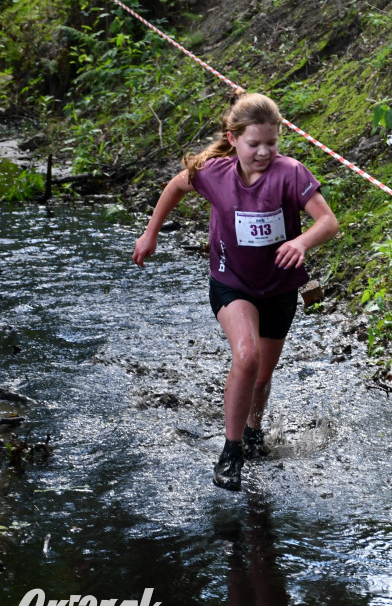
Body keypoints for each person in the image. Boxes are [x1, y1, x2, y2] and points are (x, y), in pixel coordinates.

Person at [132, 90, 339, 491]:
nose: (263, 152)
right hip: (232, 283)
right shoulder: (214, 173)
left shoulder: (290, 173)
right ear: (232, 138)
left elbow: (327, 222)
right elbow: (175, 187)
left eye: (271, 143)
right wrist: (150, 232)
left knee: (262, 376)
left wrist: (301, 242)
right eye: (254, 144)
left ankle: (253, 429)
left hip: (279, 287)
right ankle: (231, 451)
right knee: (246, 356)